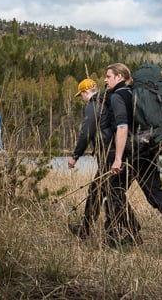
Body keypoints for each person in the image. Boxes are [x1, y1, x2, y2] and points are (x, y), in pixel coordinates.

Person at [107, 62, 162, 252]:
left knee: (113, 189)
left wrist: (118, 158)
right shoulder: (136, 92)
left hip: (134, 152)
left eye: (108, 76)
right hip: (149, 147)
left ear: (120, 77)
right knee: (156, 194)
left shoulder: (120, 96)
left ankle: (131, 234)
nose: (105, 80)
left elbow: (123, 128)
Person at [67, 77, 115, 239]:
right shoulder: (105, 101)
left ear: (87, 92)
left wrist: (75, 156)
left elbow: (86, 132)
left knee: (101, 191)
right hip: (112, 152)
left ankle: (86, 231)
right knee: (105, 191)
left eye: (81, 95)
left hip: (107, 154)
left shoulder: (92, 104)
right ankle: (86, 230)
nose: (82, 99)